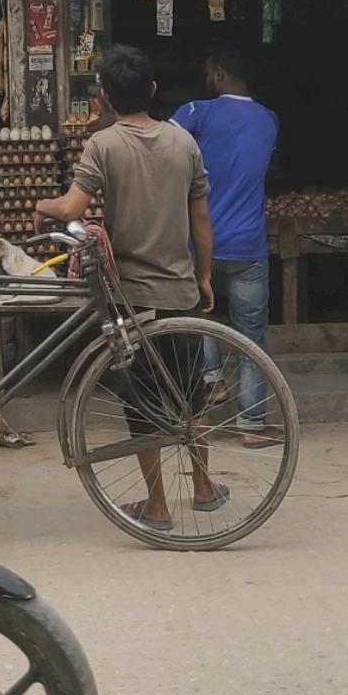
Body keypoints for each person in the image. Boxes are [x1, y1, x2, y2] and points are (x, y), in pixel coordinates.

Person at [34, 44, 226, 529]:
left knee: (142, 404)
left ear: (103, 97)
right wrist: (204, 276)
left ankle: (157, 505)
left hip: (132, 300)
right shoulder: (183, 142)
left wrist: (42, 207)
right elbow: (201, 219)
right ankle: (203, 488)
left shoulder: (104, 144)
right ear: (153, 90)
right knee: (191, 395)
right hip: (180, 292)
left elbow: (71, 209)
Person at [172, 40, 281, 447]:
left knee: (198, 317)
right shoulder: (269, 119)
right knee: (251, 335)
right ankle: (252, 425)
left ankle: (212, 380)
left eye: (208, 73)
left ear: (218, 74)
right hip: (248, 247)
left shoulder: (197, 112)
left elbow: (159, 143)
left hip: (199, 243)